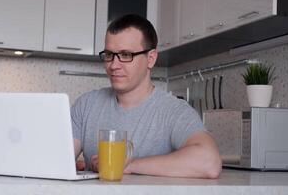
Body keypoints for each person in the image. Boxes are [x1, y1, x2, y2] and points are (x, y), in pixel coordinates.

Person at [71, 14, 222, 178]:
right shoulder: (86, 105)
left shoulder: (173, 110)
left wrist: (129, 165)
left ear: (150, 59)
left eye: (126, 55)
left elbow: (209, 162)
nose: (114, 65)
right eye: (109, 55)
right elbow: (54, 159)